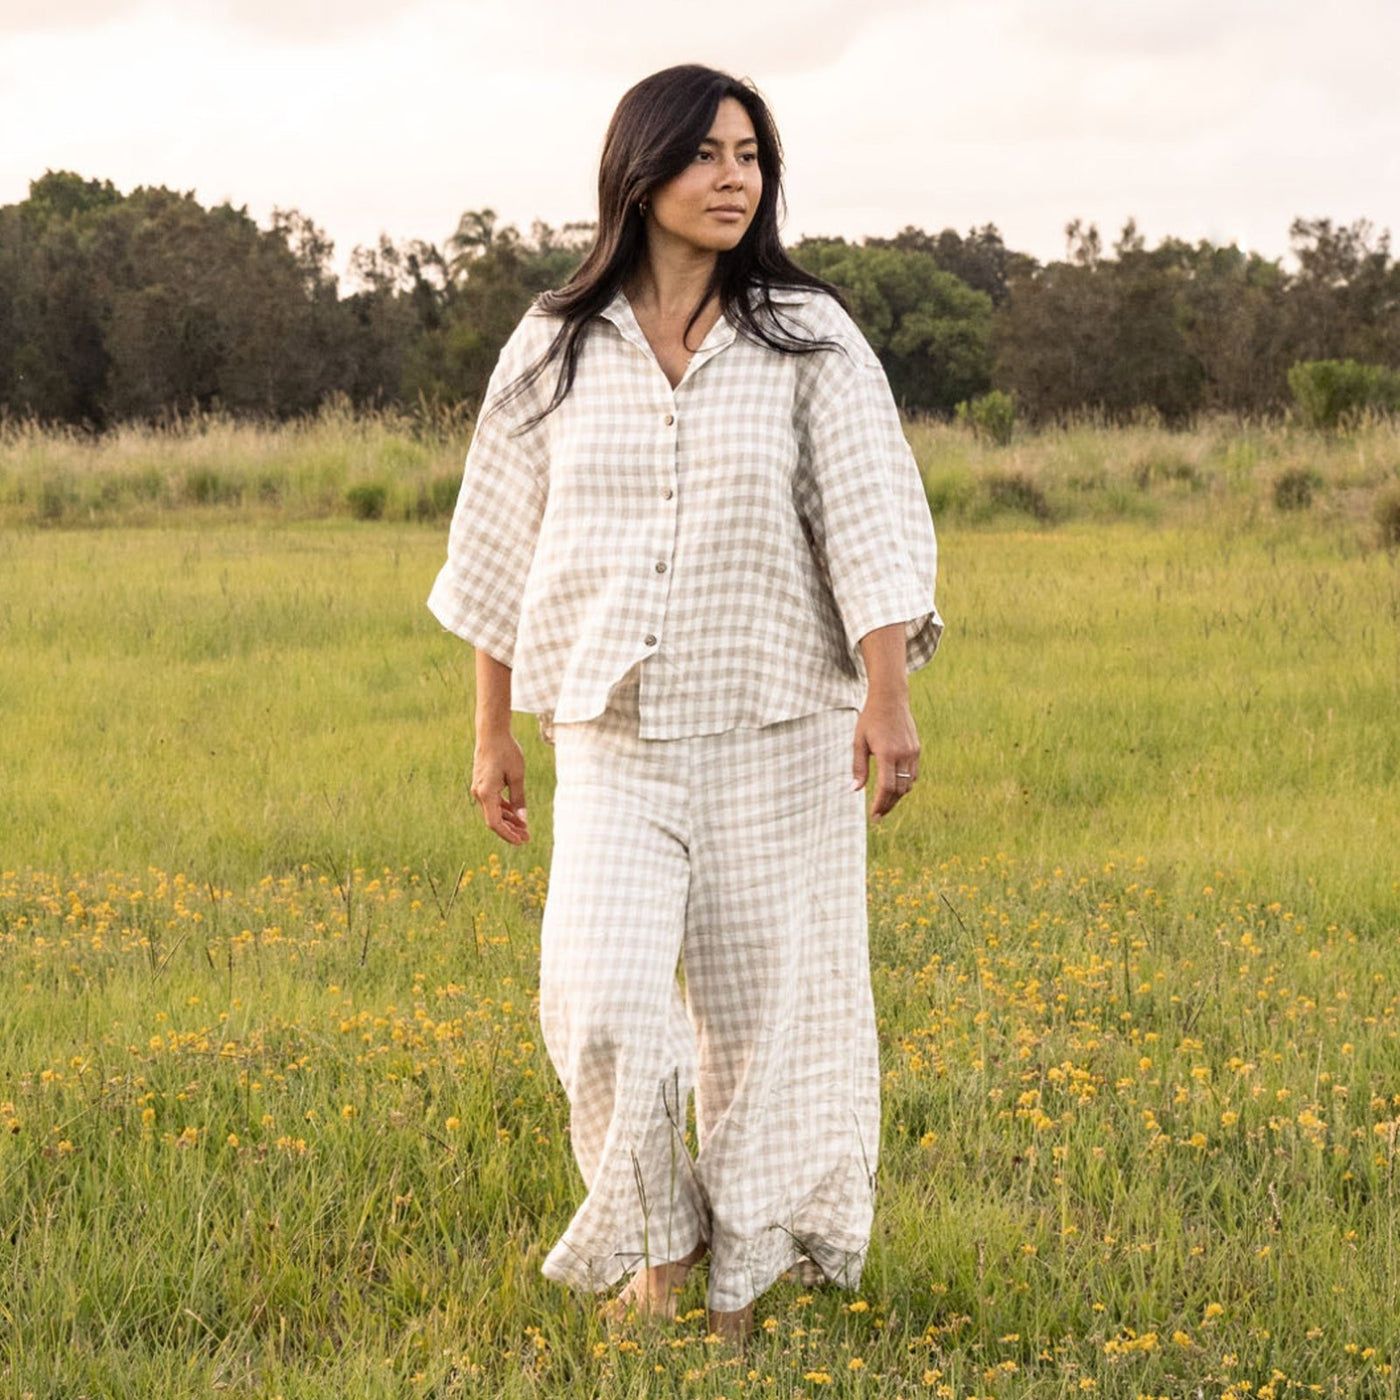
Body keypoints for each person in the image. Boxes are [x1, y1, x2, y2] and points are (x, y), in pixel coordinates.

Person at [427, 63, 942, 1343]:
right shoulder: (553, 338)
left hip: (779, 731)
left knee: (767, 1025)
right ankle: (661, 1238)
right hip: (611, 732)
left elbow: (870, 518)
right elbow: (499, 538)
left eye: (751, 157)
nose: (733, 179)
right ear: (640, 169)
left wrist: (886, 698)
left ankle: (729, 1289)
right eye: (708, 154)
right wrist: (492, 725)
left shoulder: (808, 333)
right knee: (599, 1004)